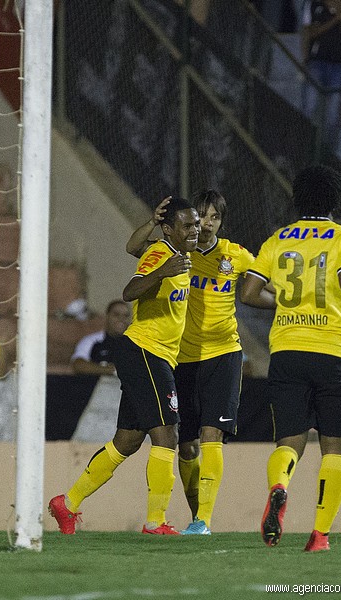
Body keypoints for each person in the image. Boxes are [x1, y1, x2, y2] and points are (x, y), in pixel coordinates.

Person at [241, 164, 341, 552]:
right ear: (336, 201)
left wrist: (286, 303)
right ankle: (319, 535)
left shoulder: (278, 239)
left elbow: (250, 293)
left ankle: (280, 486)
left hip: (287, 350)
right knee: (334, 446)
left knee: (288, 441)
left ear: (298, 199)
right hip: (331, 351)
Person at [48, 199, 199, 536]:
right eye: (188, 225)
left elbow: (132, 245)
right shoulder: (161, 256)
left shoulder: (174, 253)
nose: (195, 230)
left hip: (151, 354)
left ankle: (67, 504)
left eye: (196, 224)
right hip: (146, 350)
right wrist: (162, 272)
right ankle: (155, 522)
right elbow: (130, 290)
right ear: (170, 229)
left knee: (127, 442)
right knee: (167, 434)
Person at [127, 190, 273, 536]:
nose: (206, 224)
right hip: (182, 356)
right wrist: (152, 221)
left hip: (223, 354)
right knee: (186, 444)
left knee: (213, 435)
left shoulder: (235, 255)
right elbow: (135, 248)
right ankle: (196, 515)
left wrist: (286, 301)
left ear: (221, 222)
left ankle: (204, 520)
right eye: (201, 217)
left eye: (214, 218)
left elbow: (261, 286)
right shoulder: (179, 252)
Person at [301, 0, 341, 144]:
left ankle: (328, 151)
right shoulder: (313, 4)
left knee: (333, 113)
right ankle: (303, 144)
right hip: (317, 61)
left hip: (338, 64)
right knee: (309, 106)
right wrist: (335, 18)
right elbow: (311, 32)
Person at [70, 300, 132, 376]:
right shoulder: (91, 340)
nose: (121, 319)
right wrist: (109, 370)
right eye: (116, 315)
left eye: (126, 316)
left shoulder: (134, 343)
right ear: (107, 316)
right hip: (100, 385)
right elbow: (78, 365)